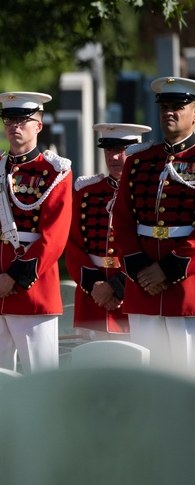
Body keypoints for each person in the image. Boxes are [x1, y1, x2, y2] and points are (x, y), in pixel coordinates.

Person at [0, 92, 72, 373]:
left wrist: (14, 277)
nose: (14, 125)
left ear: (38, 126)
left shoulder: (54, 171)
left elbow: (55, 235)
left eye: (22, 120)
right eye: (9, 119)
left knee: (40, 380)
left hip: (33, 290)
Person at [112, 76, 195, 369]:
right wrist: (137, 267)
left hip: (186, 286)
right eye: (164, 107)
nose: (168, 112)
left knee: (186, 376)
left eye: (178, 106)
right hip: (142, 284)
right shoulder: (139, 160)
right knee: (145, 378)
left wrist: (168, 269)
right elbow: (121, 218)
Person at [65, 124, 150, 339]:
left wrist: (117, 286)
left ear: (136, 152)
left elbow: (152, 248)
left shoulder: (147, 194)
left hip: (133, 292)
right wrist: (96, 286)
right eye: (109, 150)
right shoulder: (86, 192)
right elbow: (73, 245)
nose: (114, 157)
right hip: (92, 295)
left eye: (121, 151)